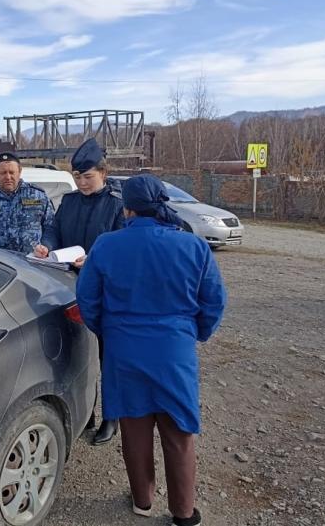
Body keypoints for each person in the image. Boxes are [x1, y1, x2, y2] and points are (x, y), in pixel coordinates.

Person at [76, 173, 226, 526]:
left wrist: (110, 332)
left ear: (126, 207)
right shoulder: (193, 246)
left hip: (123, 349)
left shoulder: (106, 245)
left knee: (135, 426)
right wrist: (192, 333)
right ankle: (184, 514)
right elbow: (214, 302)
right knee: (178, 432)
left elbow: (88, 301)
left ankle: (142, 501)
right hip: (174, 350)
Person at [34, 138, 124, 445]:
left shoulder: (116, 205)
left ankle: (112, 417)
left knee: (106, 357)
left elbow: (124, 247)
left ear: (103, 174)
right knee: (76, 355)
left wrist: (98, 260)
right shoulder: (70, 202)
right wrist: (46, 243)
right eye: (77, 176)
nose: (82, 182)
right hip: (68, 287)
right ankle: (87, 413)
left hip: (105, 292)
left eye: (88, 176)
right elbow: (55, 229)